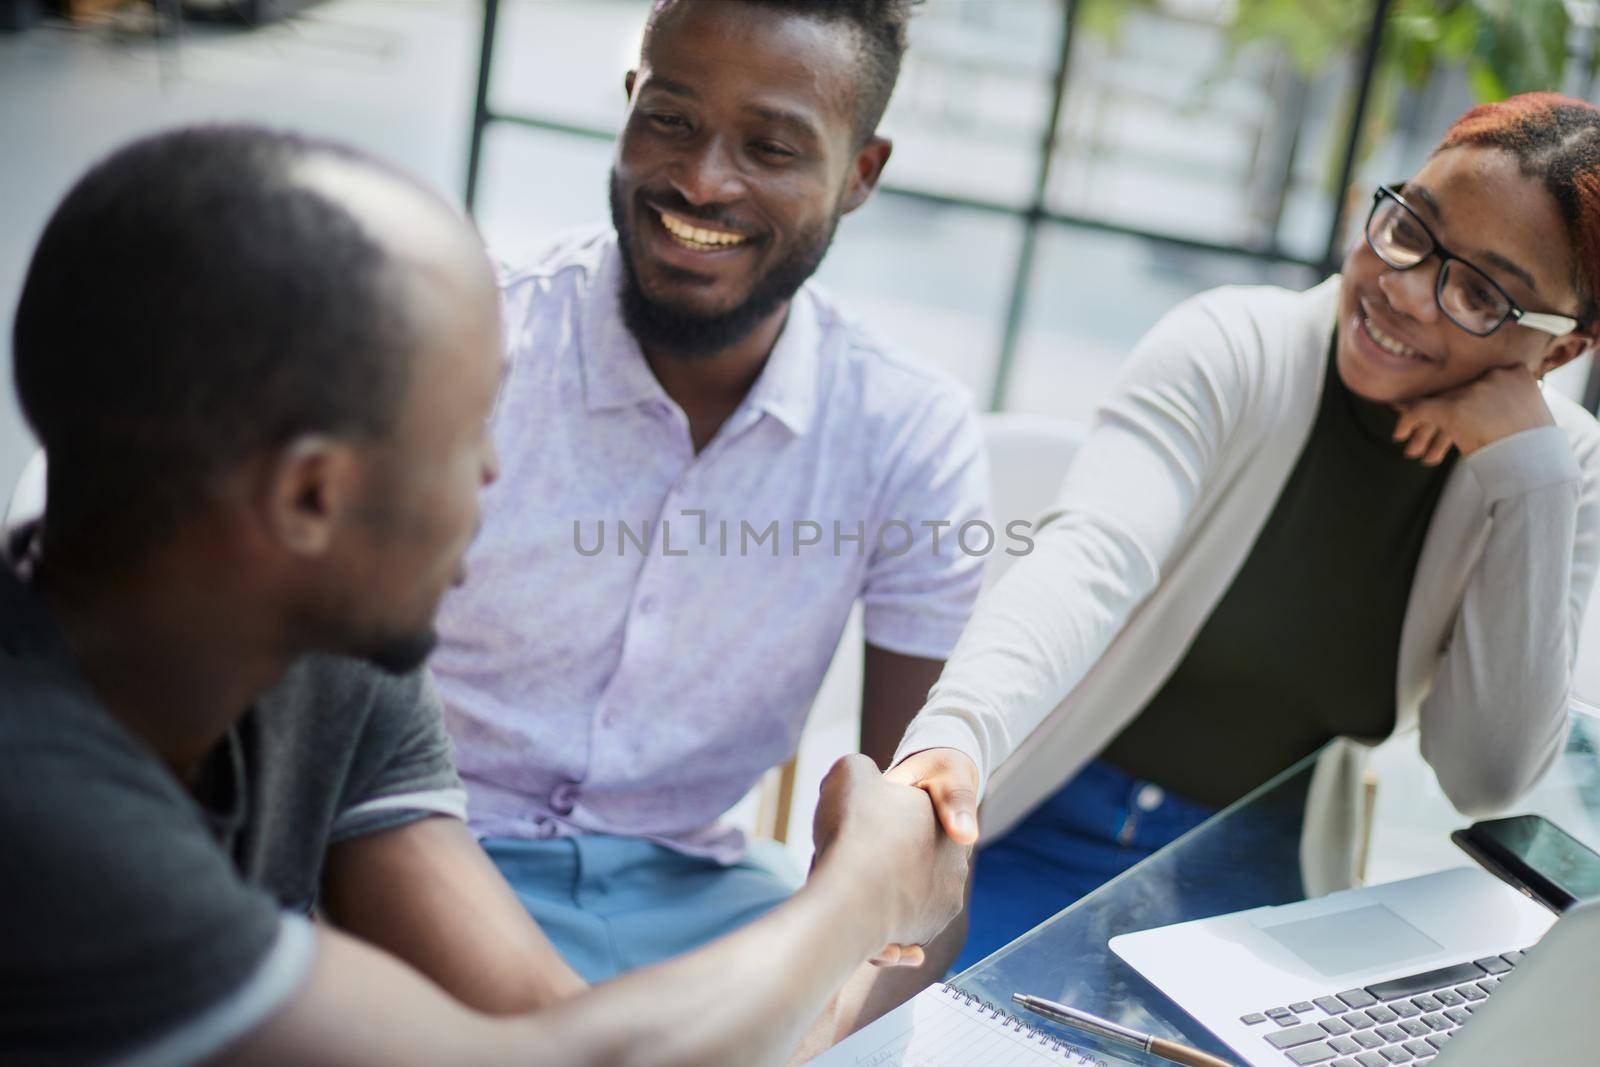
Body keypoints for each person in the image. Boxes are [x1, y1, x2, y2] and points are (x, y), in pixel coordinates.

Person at [0, 125, 968, 1067]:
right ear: (310, 496)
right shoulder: (46, 816)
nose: (495, 470)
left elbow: (544, 1018)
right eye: (464, 432)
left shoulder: (323, 655)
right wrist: (860, 894)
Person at [884, 92, 1600, 970]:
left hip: (1247, 880)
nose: (1405, 288)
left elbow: (1486, 776)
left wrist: (1529, 476)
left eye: (1481, 292)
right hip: (1035, 822)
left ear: (1559, 352)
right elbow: (1086, 562)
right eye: (1411, 225)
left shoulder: (1556, 475)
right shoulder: (1236, 346)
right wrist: (957, 732)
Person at [430, 0, 987, 986]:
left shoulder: (906, 430)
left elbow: (917, 871)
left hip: (689, 907)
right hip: (401, 858)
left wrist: (823, 1030)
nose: (700, 179)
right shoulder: (467, 336)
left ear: (859, 174)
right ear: (630, 99)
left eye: (770, 146)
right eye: (671, 119)